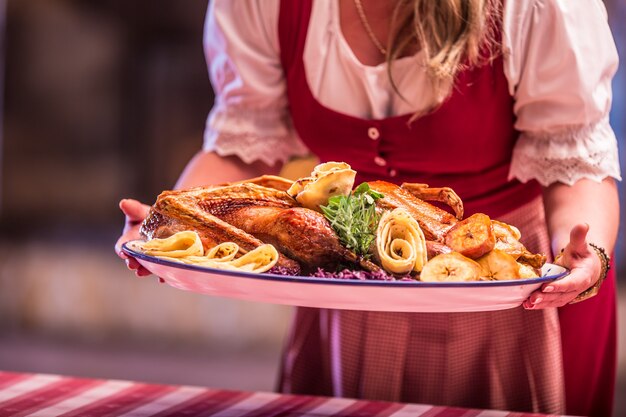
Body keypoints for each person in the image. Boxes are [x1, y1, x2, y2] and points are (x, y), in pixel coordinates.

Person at [115, 1, 621, 416]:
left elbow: (574, 162)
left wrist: (587, 251)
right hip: (352, 289)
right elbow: (239, 145)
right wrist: (169, 226)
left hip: (513, 295)